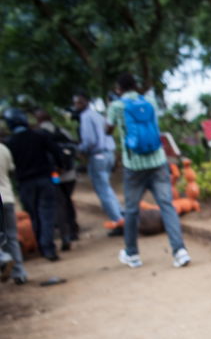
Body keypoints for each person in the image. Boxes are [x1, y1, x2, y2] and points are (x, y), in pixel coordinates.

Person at [105, 73, 191, 268]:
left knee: (132, 210)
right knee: (167, 205)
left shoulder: (117, 106)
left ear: (119, 89)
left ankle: (132, 254)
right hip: (157, 160)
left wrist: (114, 106)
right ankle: (180, 251)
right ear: (136, 86)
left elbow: (107, 130)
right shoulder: (150, 101)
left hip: (133, 166)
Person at [3, 107, 62, 262]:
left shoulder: (10, 144)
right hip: (44, 180)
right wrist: (60, 167)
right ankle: (48, 247)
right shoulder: (39, 136)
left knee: (33, 215)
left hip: (25, 185)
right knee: (47, 214)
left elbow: (10, 169)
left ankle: (42, 248)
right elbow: (57, 152)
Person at [73, 92, 124, 235]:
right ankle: (121, 216)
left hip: (98, 156)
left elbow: (89, 141)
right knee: (107, 188)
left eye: (79, 102)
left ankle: (119, 221)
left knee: (103, 190)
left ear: (86, 102)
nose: (76, 106)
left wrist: (80, 149)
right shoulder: (97, 115)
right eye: (75, 103)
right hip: (109, 154)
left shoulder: (86, 117)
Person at [35, 108, 80, 251]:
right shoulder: (61, 131)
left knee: (59, 203)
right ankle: (73, 229)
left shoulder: (39, 135)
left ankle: (65, 233)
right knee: (67, 200)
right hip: (70, 175)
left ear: (39, 120)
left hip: (55, 176)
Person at [0, 141, 28, 284]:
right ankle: (20, 273)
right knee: (11, 237)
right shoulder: (4, 148)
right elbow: (11, 170)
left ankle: (2, 258)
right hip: (7, 197)